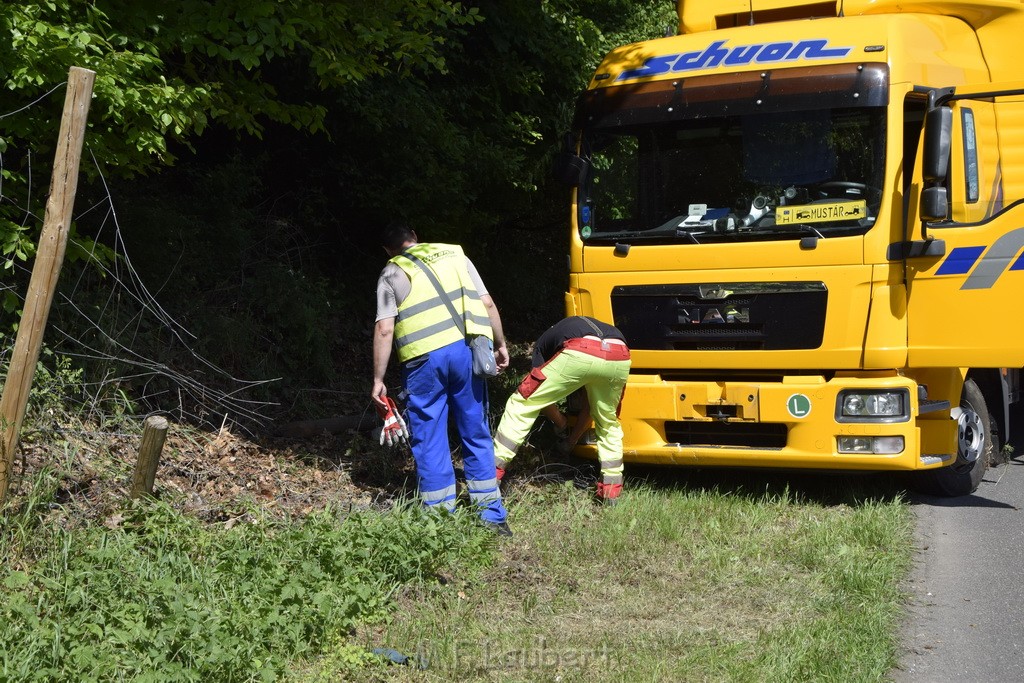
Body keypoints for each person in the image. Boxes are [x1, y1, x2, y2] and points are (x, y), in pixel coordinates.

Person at [371, 222, 512, 534]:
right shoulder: (455, 255)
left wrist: (378, 379)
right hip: (468, 352)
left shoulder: (391, 273)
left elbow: (384, 328)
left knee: (430, 435)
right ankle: (492, 518)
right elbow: (486, 302)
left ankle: (439, 521)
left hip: (425, 361)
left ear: (388, 250)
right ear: (415, 238)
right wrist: (501, 344)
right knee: (475, 430)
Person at [493, 316, 631, 504]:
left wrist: (561, 423)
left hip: (580, 349)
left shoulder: (542, 345)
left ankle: (492, 473)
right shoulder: (582, 326)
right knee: (607, 420)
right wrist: (572, 440)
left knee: (523, 401)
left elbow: (539, 397)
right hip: (620, 353)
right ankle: (611, 491)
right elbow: (590, 407)